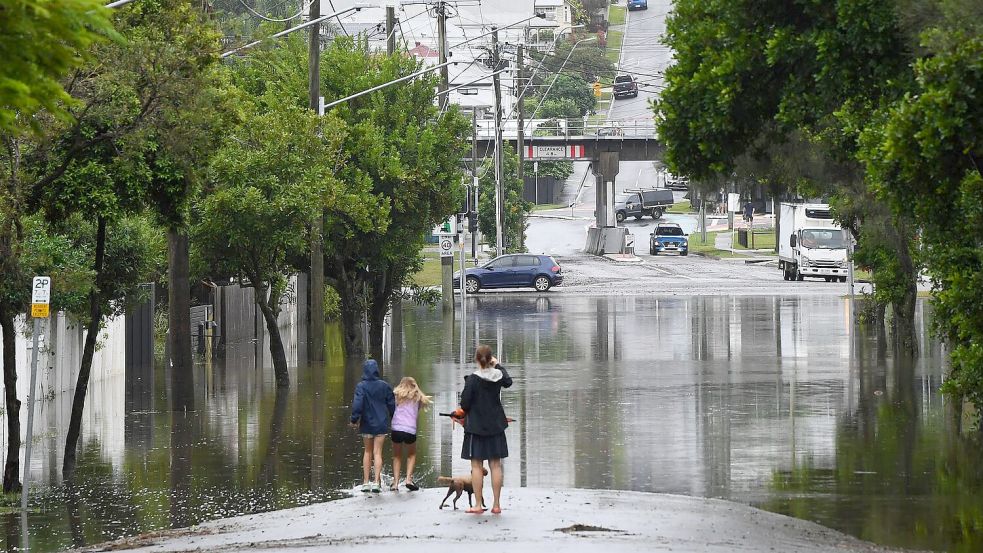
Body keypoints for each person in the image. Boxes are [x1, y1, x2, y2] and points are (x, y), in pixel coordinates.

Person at [457, 345, 513, 514]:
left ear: (476, 359)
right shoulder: (498, 376)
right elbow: (508, 382)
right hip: (496, 425)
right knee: (496, 465)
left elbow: (465, 403)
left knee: (476, 466)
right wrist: (498, 365)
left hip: (476, 428)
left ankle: (478, 504)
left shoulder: (473, 380)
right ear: (491, 359)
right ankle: (496, 505)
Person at [350, 359, 395, 493]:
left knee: (367, 452)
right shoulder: (385, 386)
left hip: (367, 423)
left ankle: (365, 482)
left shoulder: (361, 386)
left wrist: (354, 419)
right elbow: (392, 404)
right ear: (377, 370)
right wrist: (394, 417)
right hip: (381, 423)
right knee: (377, 452)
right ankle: (376, 482)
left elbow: (357, 404)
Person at [390, 376, 432, 491]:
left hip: (396, 429)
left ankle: (395, 483)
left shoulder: (396, 396)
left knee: (397, 456)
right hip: (410, 430)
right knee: (411, 455)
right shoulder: (417, 397)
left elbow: (391, 408)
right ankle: (409, 479)